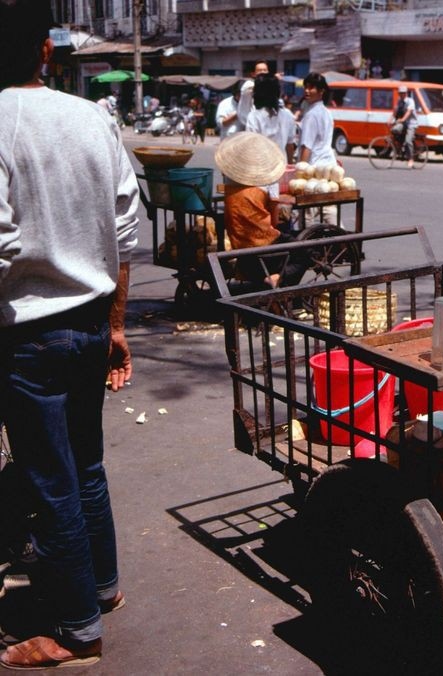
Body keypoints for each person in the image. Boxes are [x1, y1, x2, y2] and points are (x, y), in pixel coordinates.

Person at [0, 1, 138, 668]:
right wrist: (115, 327)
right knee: (84, 466)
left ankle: (76, 629)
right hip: (89, 324)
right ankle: (103, 588)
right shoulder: (93, 117)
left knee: (49, 480)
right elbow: (127, 232)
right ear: (47, 52)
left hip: (30, 338)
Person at [216, 132, 309, 289]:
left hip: (239, 245)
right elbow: (274, 222)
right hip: (264, 248)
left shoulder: (229, 182)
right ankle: (278, 278)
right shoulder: (268, 183)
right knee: (305, 252)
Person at [245, 73, 296, 197]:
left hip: (261, 174)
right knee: (278, 210)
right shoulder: (288, 115)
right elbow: (290, 146)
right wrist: (289, 167)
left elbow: (251, 149)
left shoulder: (254, 116)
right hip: (281, 172)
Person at [297, 72, 336, 166]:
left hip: (314, 168)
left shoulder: (311, 115)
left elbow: (306, 146)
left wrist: (301, 173)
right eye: (305, 87)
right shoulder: (327, 112)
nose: (307, 91)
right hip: (329, 163)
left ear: (321, 91)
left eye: (311, 88)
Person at [389, 84, 418, 168]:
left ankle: (411, 159)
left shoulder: (410, 101)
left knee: (408, 141)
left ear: (406, 93)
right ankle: (400, 148)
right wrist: (390, 120)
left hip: (411, 123)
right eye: (400, 93)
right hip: (403, 123)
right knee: (394, 130)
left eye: (403, 93)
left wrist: (402, 119)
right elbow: (395, 112)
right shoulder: (399, 101)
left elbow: (409, 112)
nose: (401, 95)